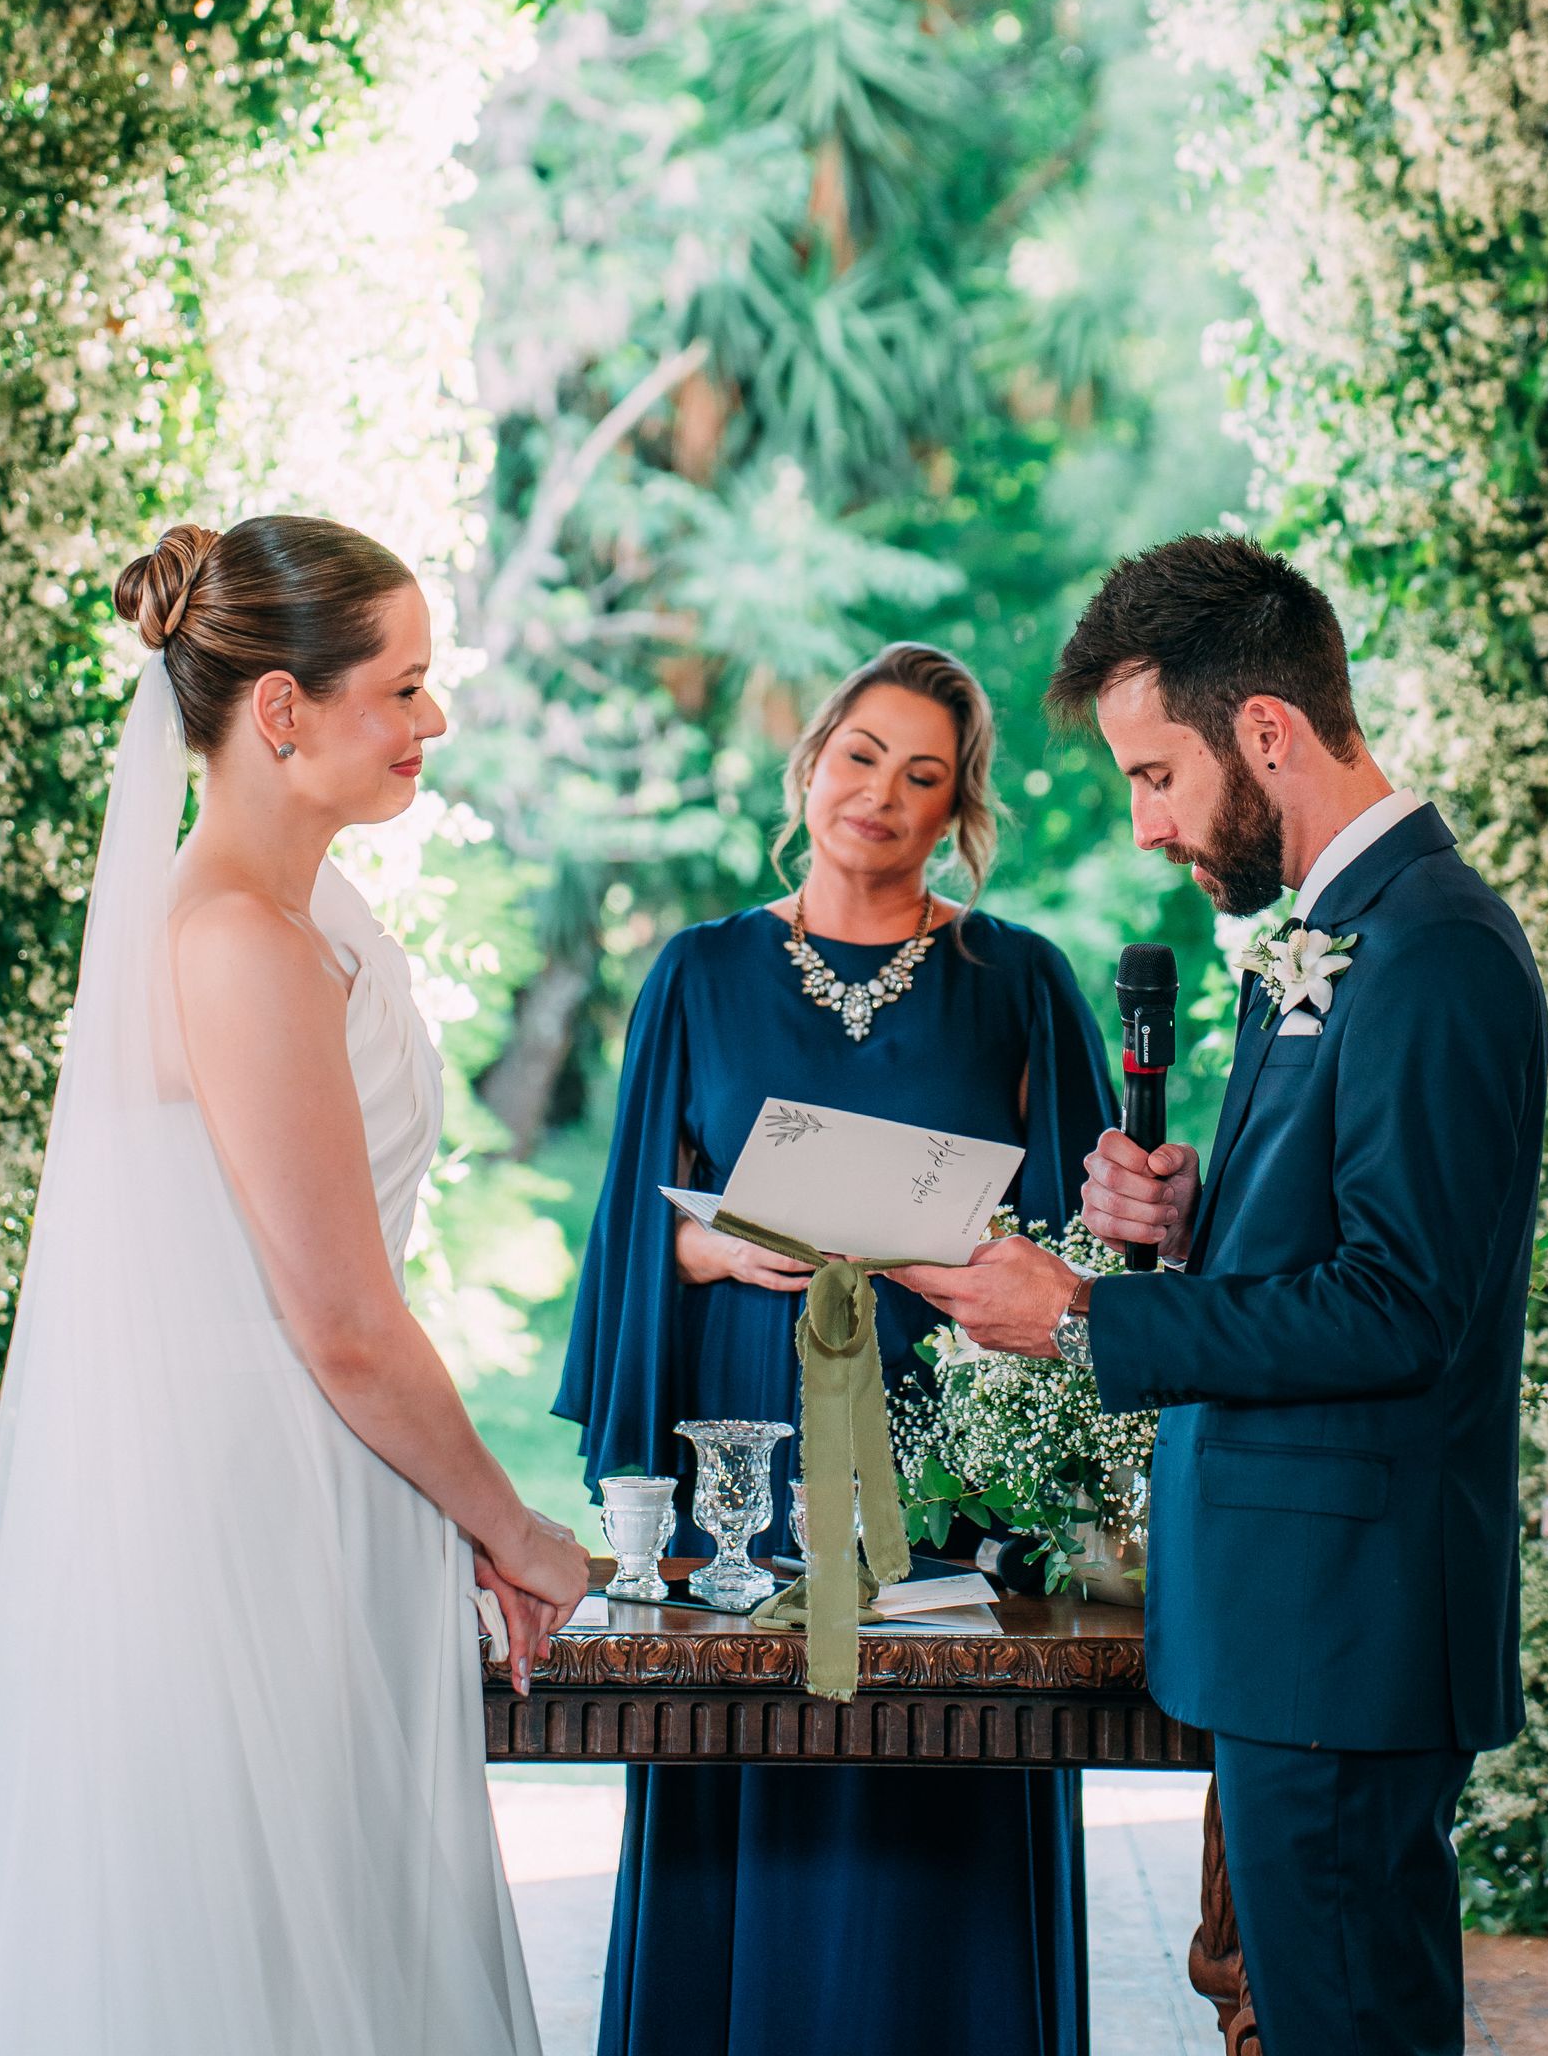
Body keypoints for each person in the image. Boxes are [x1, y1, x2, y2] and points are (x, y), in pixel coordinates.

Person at [0, 514, 588, 2056]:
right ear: (283, 710)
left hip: (326, 1493)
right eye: (399, 688)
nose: (432, 720)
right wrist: (516, 1528)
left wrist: (441, 1508)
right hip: (260, 1517)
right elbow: (338, 1324)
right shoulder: (237, 940)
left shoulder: (301, 913)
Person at [895, 536, 1548, 2056]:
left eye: (1154, 776)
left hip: (1351, 1625)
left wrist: (1085, 1316)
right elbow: (1338, 1255)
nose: (1144, 827)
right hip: (1296, 1619)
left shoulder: (1433, 951)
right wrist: (1193, 1230)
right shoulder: (1326, 938)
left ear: (1265, 732)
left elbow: (1401, 1313)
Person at [555, 641, 1116, 2056]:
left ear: (957, 814)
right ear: (810, 765)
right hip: (750, 1419)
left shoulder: (1023, 984)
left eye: (923, 776)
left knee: (944, 1770)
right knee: (757, 1747)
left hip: (941, 1438)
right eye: (861, 755)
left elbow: (1078, 1250)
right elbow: (631, 1225)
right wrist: (697, 1247)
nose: (880, 792)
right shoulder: (697, 973)